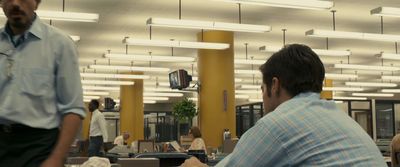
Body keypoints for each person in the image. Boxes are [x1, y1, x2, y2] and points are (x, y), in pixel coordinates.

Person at [182, 44, 386, 167]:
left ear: (275, 85)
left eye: (262, 89)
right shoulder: (341, 119)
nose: (262, 98)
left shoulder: (278, 124)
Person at [0, 0, 86, 167]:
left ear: (37, 2)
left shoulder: (60, 44)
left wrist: (57, 158)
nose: (16, 3)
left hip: (39, 147)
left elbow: (73, 109)